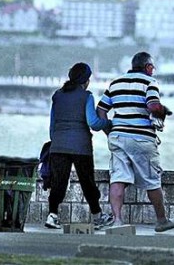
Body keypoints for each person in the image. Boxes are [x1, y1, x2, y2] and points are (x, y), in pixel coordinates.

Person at [97, 51, 174, 232]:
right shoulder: (150, 82)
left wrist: (109, 130)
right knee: (152, 180)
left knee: (117, 178)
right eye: (153, 68)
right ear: (148, 67)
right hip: (141, 138)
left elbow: (101, 110)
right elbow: (152, 105)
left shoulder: (116, 83)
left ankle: (118, 221)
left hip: (117, 137)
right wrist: (164, 110)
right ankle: (162, 220)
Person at [45, 62, 114, 230]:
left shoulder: (57, 95)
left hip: (58, 145)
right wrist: (109, 123)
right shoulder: (87, 96)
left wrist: (57, 141)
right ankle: (98, 217)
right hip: (81, 146)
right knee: (87, 182)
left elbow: (52, 125)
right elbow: (93, 123)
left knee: (59, 182)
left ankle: (52, 215)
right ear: (86, 80)